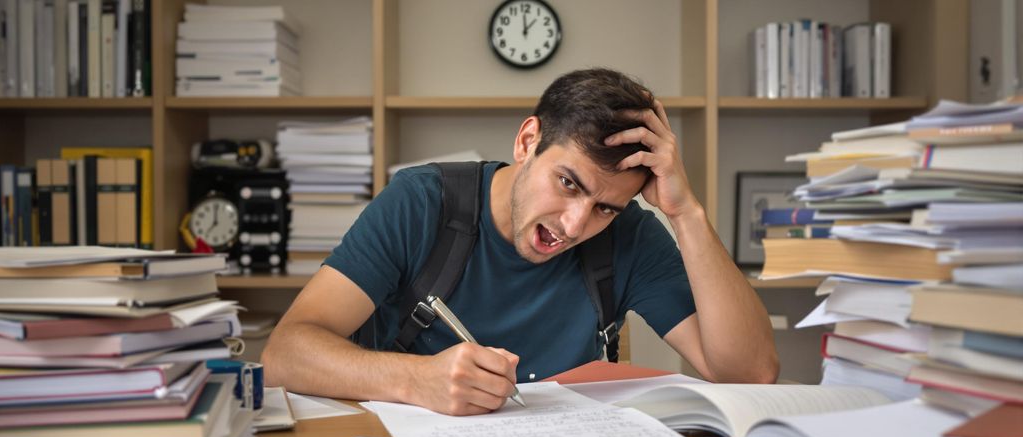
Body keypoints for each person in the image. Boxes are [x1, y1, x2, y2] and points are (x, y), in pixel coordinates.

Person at [262, 68, 778, 415]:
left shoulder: (631, 234)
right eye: (568, 183)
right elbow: (285, 354)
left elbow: (750, 374)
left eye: (605, 207)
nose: (575, 225)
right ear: (528, 141)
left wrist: (686, 212)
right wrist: (414, 380)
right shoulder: (421, 202)